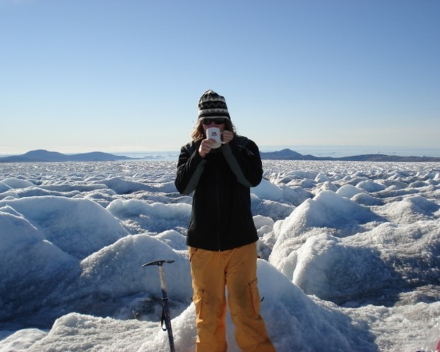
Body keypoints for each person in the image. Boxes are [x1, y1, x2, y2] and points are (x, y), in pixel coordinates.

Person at [175, 90, 276, 352]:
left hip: (241, 242)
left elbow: (250, 179)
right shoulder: (189, 150)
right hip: (203, 246)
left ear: (226, 121)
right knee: (207, 314)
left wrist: (230, 148)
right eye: (207, 122)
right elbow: (184, 188)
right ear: (201, 123)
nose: (213, 127)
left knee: (247, 311)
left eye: (218, 122)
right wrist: (200, 155)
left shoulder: (245, 147)